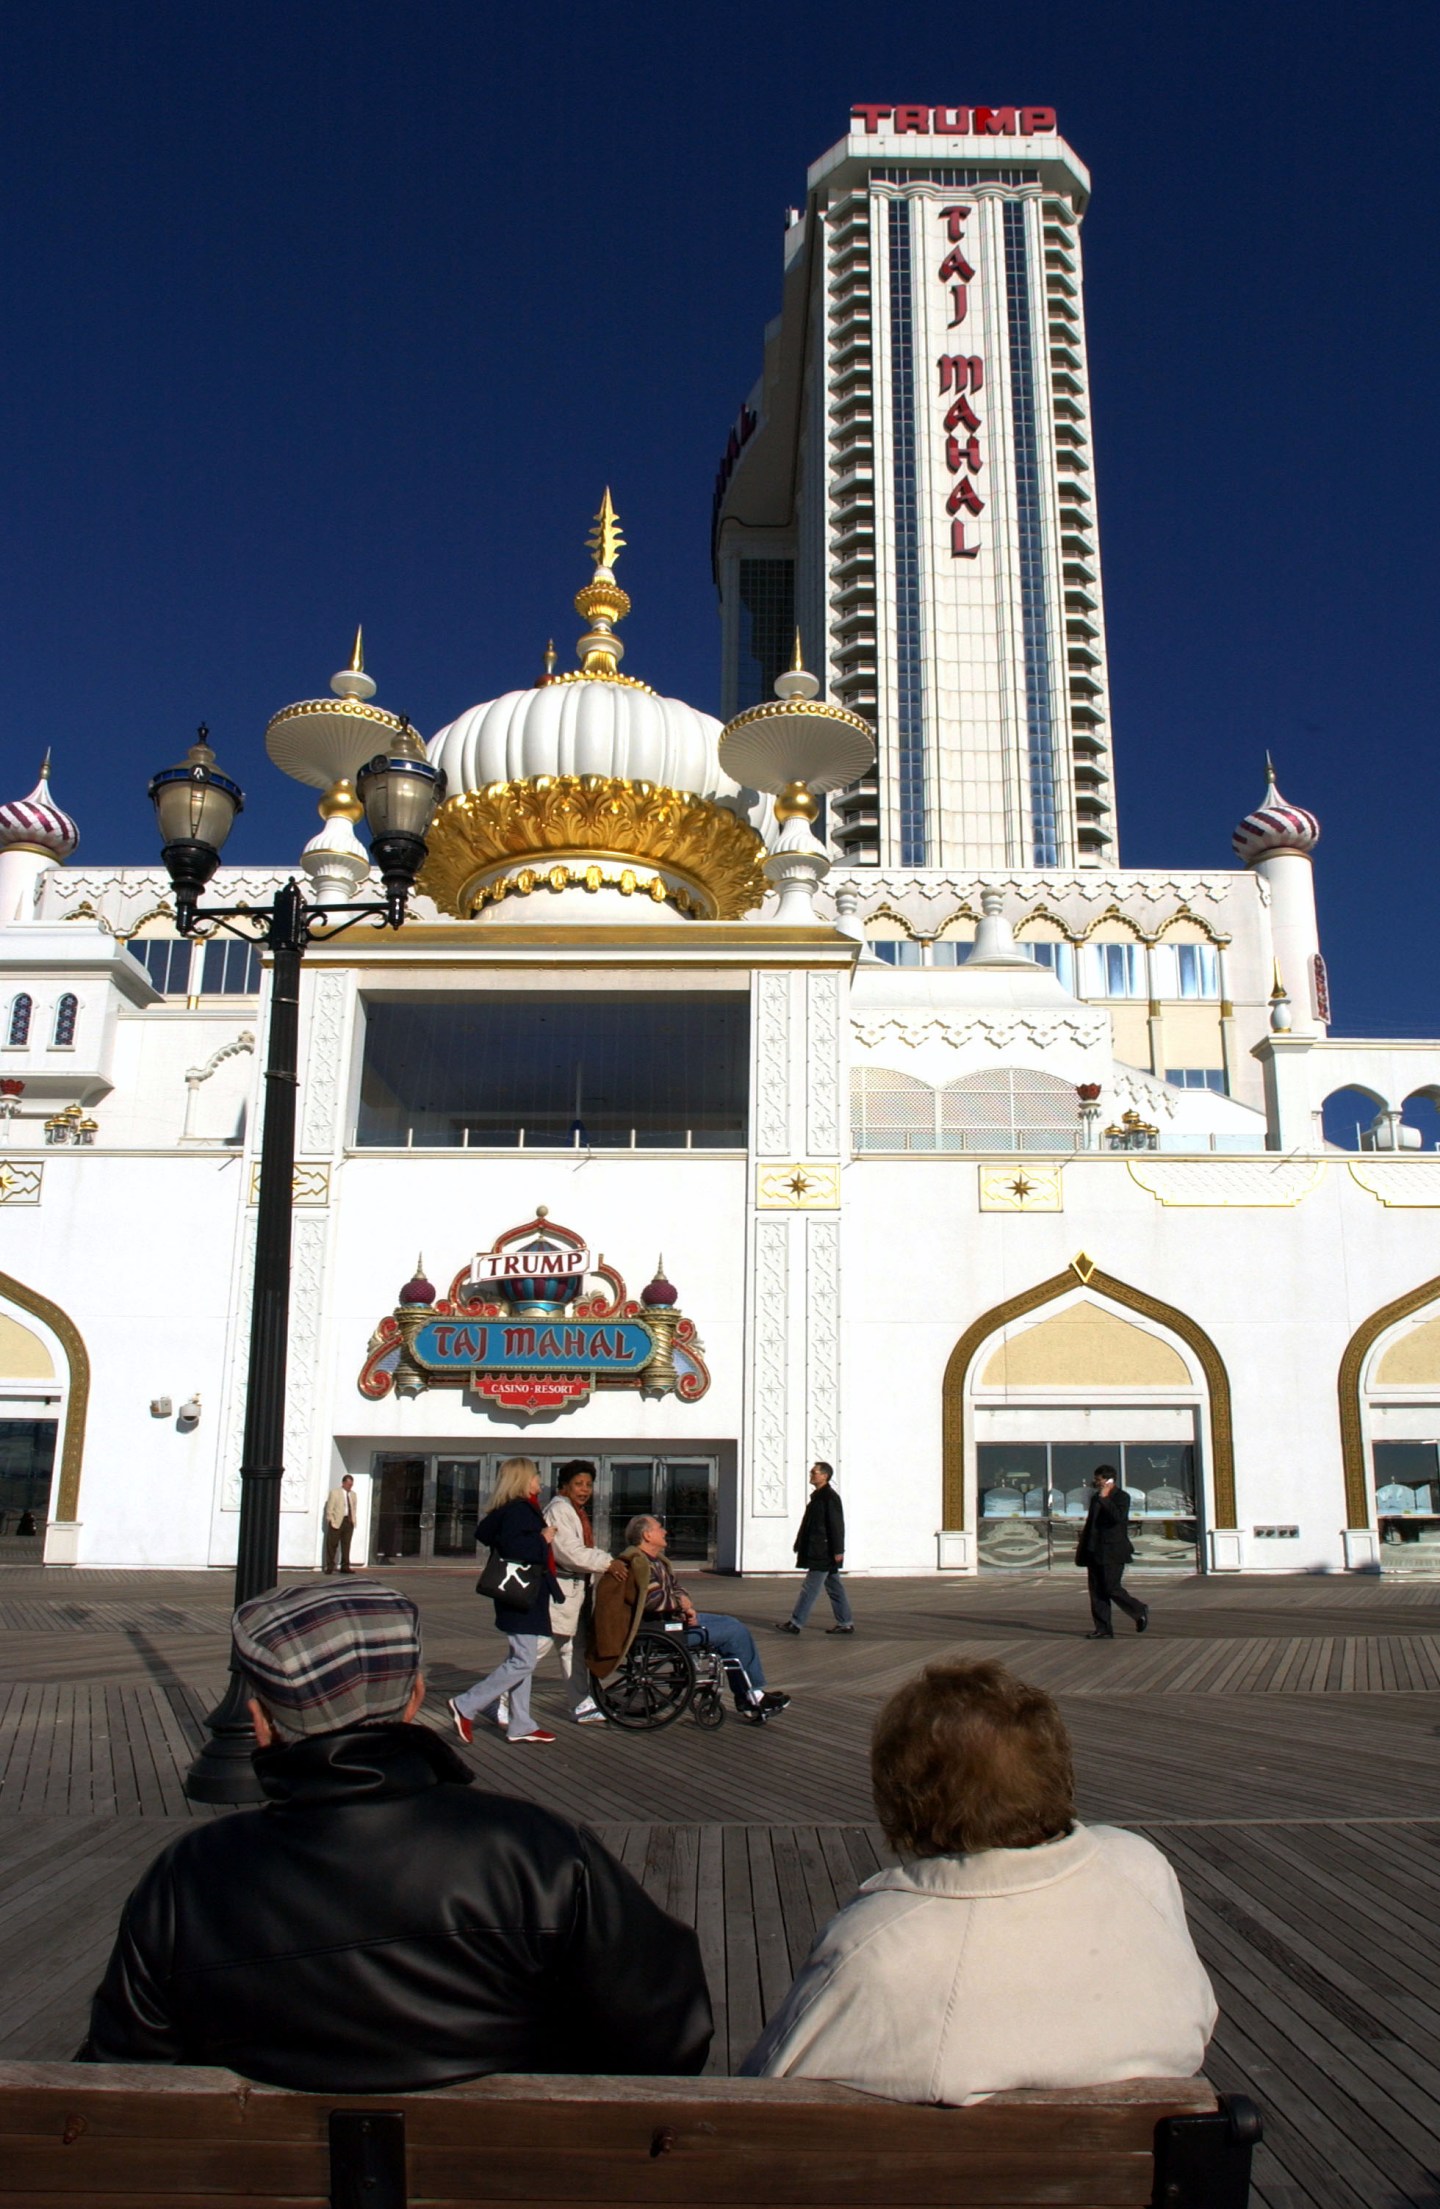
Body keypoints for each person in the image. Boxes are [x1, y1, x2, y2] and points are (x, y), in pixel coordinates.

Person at [79, 1581, 712, 2089]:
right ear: (414, 1699)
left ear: (260, 1721)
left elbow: (125, 2069)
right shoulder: (537, 1852)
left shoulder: (191, 1877)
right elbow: (667, 2033)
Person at [741, 1658, 1215, 2100]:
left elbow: (766, 2094)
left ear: (903, 1796)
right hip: (1141, 2159)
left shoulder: (879, 1947)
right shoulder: (1139, 1868)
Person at [592, 1514, 790, 1724]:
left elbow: (675, 1589)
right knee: (734, 1632)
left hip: (670, 1622)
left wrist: (685, 1606)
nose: (665, 1531)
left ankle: (750, 1696)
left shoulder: (656, 1561)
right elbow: (652, 1600)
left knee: (731, 1623)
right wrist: (681, 1605)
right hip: (661, 1630)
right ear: (647, 1535)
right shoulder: (640, 1564)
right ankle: (753, 1696)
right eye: (659, 1528)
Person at [448, 1457, 561, 1746]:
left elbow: (492, 1536)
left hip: (519, 1592)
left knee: (521, 1657)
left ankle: (520, 1723)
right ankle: (466, 1704)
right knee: (524, 1660)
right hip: (521, 1593)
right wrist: (543, 1538)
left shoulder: (510, 1509)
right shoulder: (520, 1510)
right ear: (523, 1479)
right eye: (535, 1476)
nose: (540, 1481)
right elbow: (514, 1547)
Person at [544, 1459, 619, 1725]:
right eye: (578, 1484)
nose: (584, 1489)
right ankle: (490, 1700)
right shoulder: (559, 1510)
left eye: (588, 1484)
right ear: (564, 1486)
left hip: (576, 1592)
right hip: (559, 1593)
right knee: (532, 1652)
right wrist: (608, 1563)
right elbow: (569, 1552)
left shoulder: (575, 1512)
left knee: (573, 1649)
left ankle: (581, 1704)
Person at [775, 1461, 853, 1635]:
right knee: (834, 1587)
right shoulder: (818, 1497)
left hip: (823, 1551)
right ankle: (845, 1622)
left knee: (810, 1588)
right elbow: (809, 1525)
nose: (811, 1474)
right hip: (821, 1550)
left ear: (824, 1476)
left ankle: (796, 1623)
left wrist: (838, 1550)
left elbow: (836, 1525)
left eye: (814, 1472)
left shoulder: (829, 1498)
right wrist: (799, 1542)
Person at [1076, 1464, 1149, 1638]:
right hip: (1095, 1550)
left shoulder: (1121, 1497)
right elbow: (1092, 1524)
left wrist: (1105, 1498)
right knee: (1097, 1592)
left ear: (1109, 1480)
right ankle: (1103, 1629)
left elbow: (1117, 1518)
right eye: (1096, 1479)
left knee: (1111, 1587)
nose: (1096, 1482)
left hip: (1113, 1550)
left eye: (1099, 1479)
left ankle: (1138, 1609)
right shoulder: (1096, 1497)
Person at [322, 1474, 358, 1574]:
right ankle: (330, 1566)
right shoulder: (335, 1493)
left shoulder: (353, 1494)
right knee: (332, 1544)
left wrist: (353, 1520)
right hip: (337, 1521)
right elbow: (330, 1508)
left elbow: (354, 1507)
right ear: (343, 1483)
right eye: (348, 1484)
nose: (350, 1486)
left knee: (346, 1545)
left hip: (348, 1521)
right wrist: (331, 1520)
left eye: (351, 1484)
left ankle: (345, 1566)